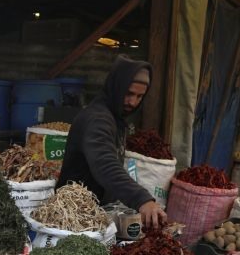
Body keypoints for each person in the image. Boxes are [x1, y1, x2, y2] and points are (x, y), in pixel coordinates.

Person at [57, 55, 167, 228]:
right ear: (116, 87)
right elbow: (105, 163)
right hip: (71, 216)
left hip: (91, 214)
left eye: (140, 96)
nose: (133, 102)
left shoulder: (115, 118)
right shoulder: (98, 120)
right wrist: (141, 199)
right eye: (129, 93)